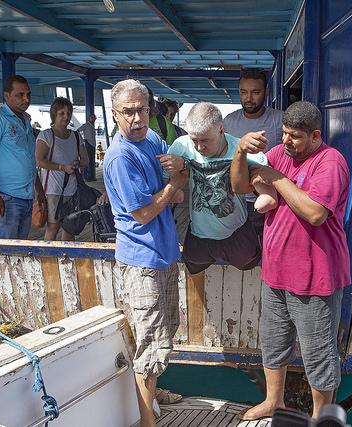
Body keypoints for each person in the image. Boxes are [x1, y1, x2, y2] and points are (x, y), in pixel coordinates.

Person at [230, 101, 351, 420]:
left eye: (295, 136)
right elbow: (240, 186)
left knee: (319, 354)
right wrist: (241, 152)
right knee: (273, 342)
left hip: (316, 277)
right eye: (284, 134)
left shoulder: (331, 161)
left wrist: (277, 178)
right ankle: (274, 401)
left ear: (315, 135)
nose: (286, 142)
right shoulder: (279, 155)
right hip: (275, 273)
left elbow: (315, 213)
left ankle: (319, 418)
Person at [103, 79, 187, 427]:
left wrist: (177, 171)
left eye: (141, 110)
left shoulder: (153, 139)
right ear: (115, 114)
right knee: (151, 341)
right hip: (141, 262)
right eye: (128, 112)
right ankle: (146, 421)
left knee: (165, 328)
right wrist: (175, 183)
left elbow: (176, 181)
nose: (136, 118)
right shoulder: (119, 157)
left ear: (150, 110)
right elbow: (145, 212)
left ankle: (153, 390)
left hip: (164, 253)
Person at [162, 102, 269, 274]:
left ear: (221, 130)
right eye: (194, 140)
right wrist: (177, 176)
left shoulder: (241, 150)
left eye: (205, 140)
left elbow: (265, 181)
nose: (199, 147)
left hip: (237, 233)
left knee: (250, 263)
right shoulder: (181, 146)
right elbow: (166, 183)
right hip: (199, 236)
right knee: (192, 264)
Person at [0, 75, 46, 239]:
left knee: (18, 254)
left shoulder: (26, 121)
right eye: (20, 95)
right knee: (6, 255)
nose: (26, 99)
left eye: (28, 94)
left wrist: (39, 190)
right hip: (5, 198)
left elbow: (27, 159)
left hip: (26, 198)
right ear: (6, 96)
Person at [224, 68, 284, 236]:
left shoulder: (281, 120)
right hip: (236, 201)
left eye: (255, 92)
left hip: (274, 200)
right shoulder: (228, 122)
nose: (248, 99)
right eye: (244, 92)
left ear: (266, 92)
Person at [35, 97, 88, 241]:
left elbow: (86, 160)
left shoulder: (76, 136)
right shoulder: (46, 135)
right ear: (54, 115)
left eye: (68, 113)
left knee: (70, 228)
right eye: (62, 113)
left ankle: (67, 260)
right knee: (53, 227)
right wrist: (62, 167)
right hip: (53, 190)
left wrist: (78, 164)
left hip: (73, 189)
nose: (66, 116)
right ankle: (48, 260)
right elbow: (39, 161)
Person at [77, 113, 98, 181]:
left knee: (92, 161)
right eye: (92, 118)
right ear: (89, 118)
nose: (93, 119)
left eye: (94, 118)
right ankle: (86, 176)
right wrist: (83, 140)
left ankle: (91, 176)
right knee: (87, 161)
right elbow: (77, 131)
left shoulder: (92, 126)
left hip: (93, 145)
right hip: (88, 144)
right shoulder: (86, 125)